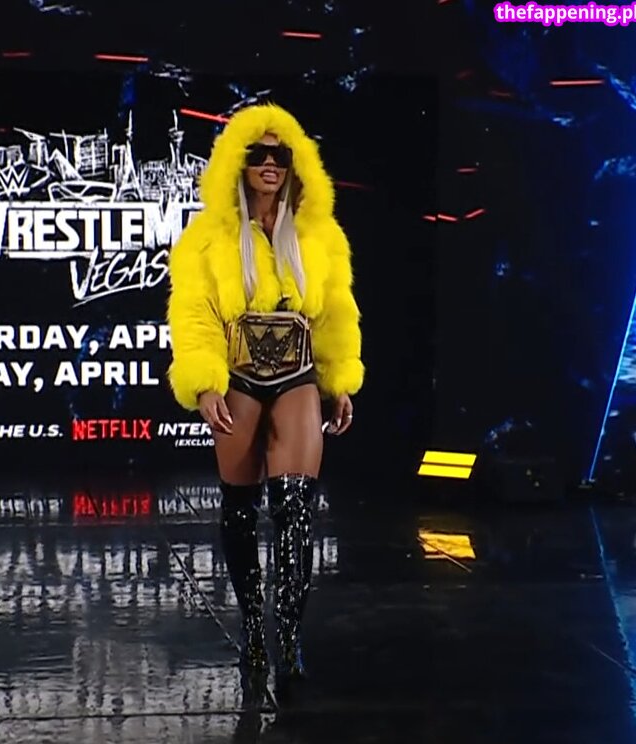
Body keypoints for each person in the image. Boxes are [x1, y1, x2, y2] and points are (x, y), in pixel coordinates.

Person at [166, 103, 364, 695]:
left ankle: (289, 637)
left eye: (281, 155)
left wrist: (338, 380)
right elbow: (194, 314)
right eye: (259, 154)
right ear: (239, 162)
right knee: (239, 509)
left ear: (297, 164)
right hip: (238, 374)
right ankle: (253, 627)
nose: (271, 165)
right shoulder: (206, 238)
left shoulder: (320, 235)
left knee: (296, 509)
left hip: (298, 374)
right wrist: (204, 380)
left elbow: (336, 312)